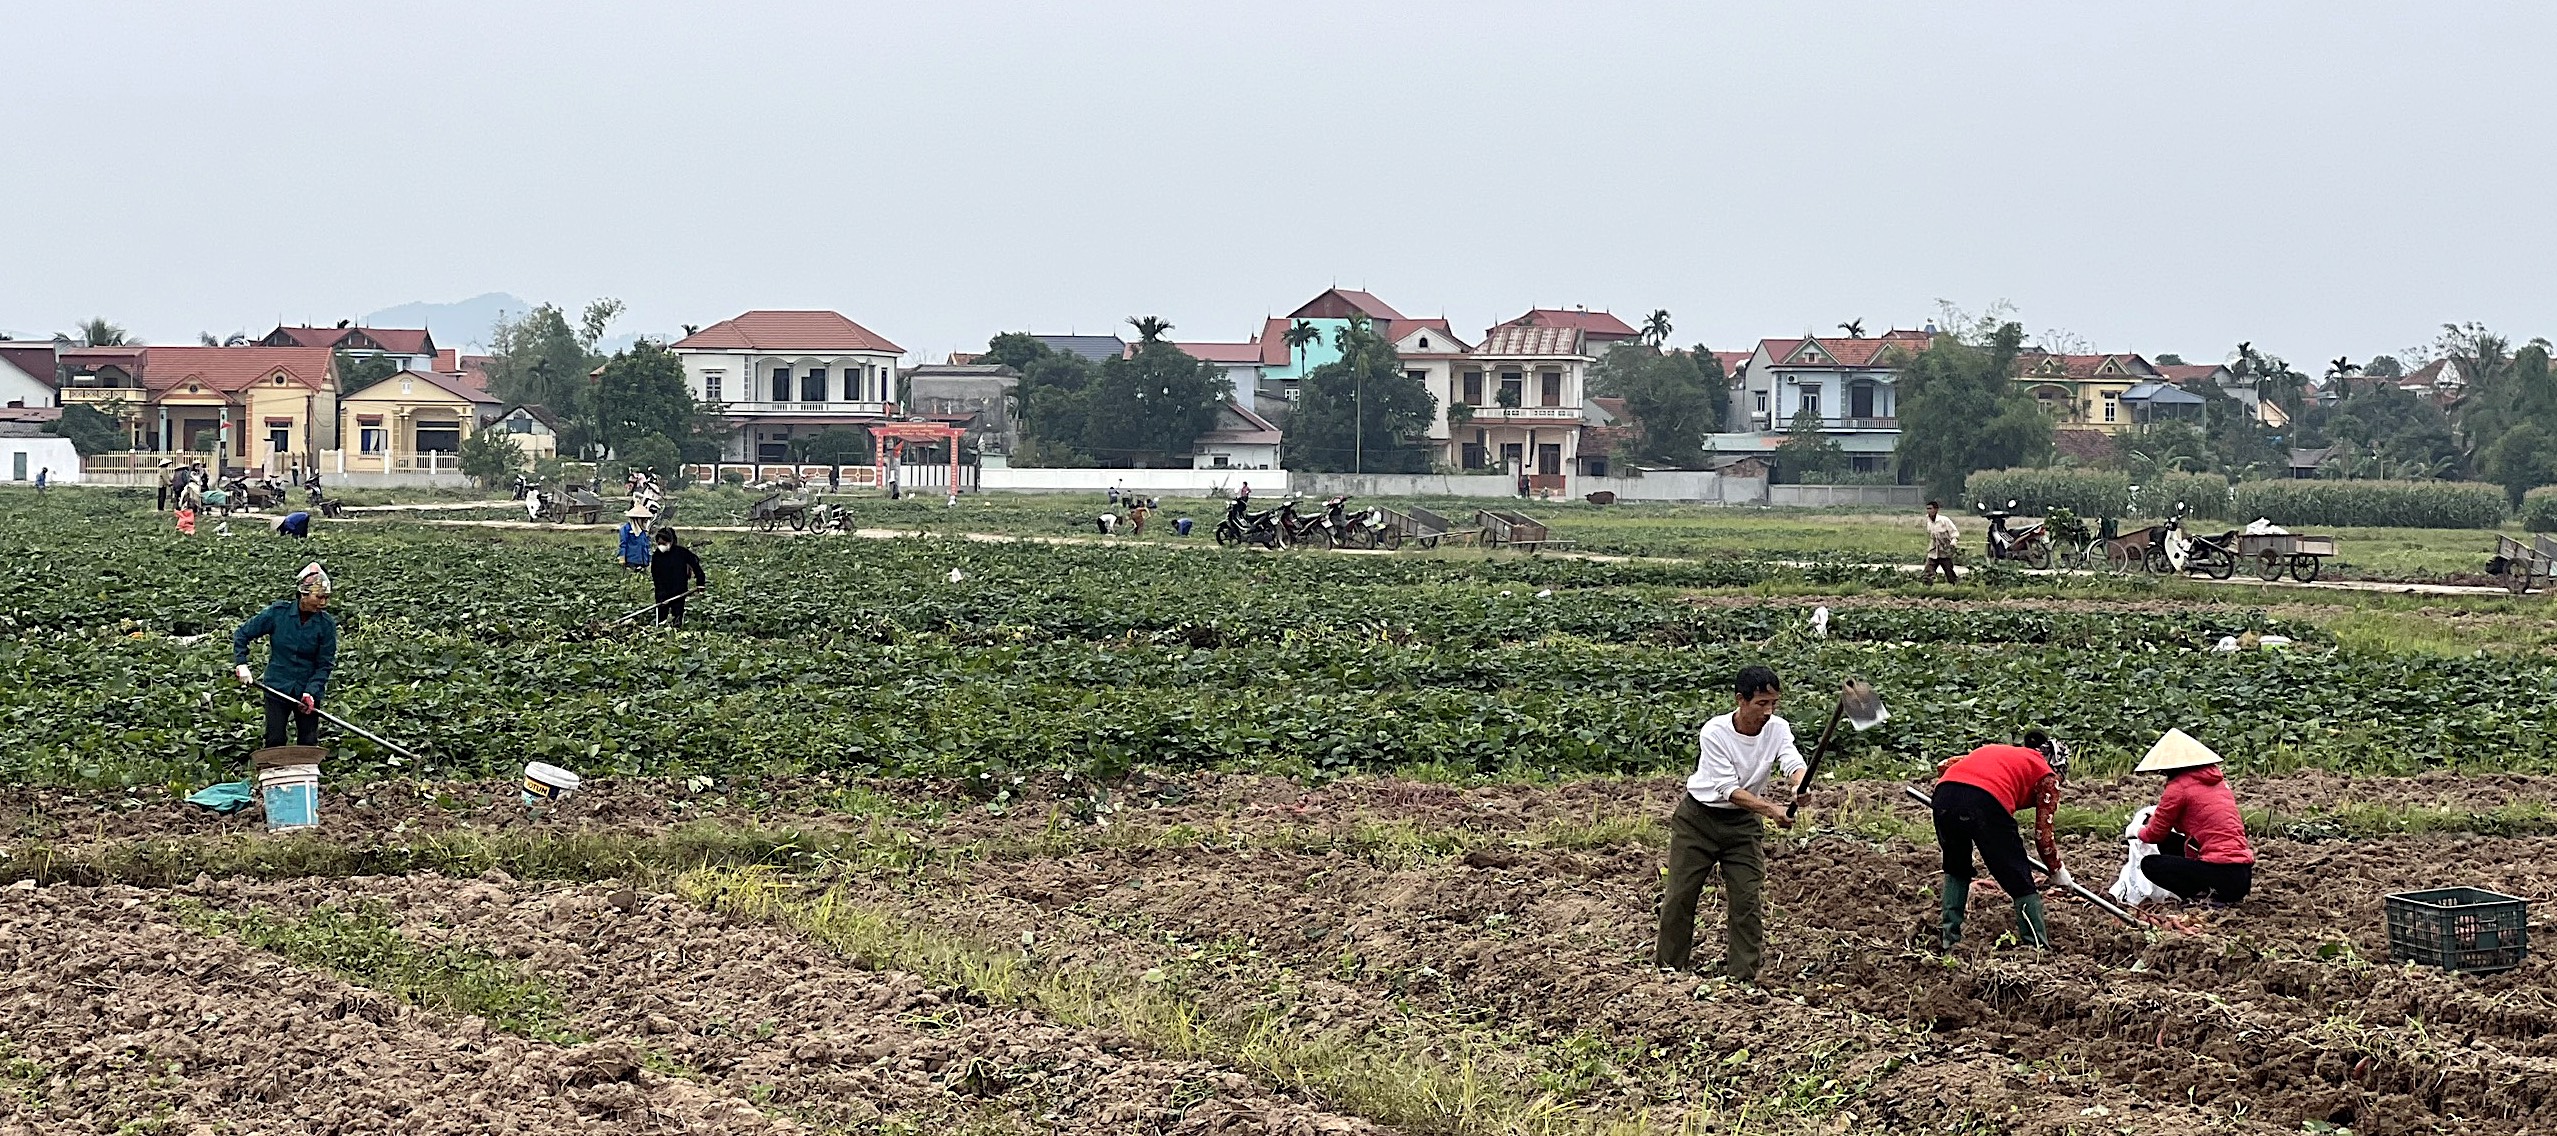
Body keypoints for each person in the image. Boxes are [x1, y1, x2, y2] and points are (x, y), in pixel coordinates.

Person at [1655, 665, 1805, 982]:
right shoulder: (1715, 732)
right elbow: (1729, 790)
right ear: (1741, 700)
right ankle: (1668, 970)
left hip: (1741, 827)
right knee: (1680, 896)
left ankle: (1742, 977)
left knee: (1746, 899)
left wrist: (1799, 786)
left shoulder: (1777, 728)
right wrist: (1772, 810)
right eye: (1761, 703)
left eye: (1773, 703)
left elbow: (1791, 761)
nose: (1768, 711)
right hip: (1699, 820)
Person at [1932, 730, 2070, 949]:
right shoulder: (2048, 777)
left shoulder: (2004, 752)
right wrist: (2056, 870)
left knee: (1956, 866)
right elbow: (2043, 836)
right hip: (1987, 801)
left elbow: (1943, 765)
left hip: (1944, 795)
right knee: (2017, 874)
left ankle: (1950, 940)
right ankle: (2036, 946)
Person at [2132, 729, 2255, 904]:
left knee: (2150, 864)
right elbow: (2194, 822)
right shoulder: (2218, 783)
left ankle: (2202, 896)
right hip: (2241, 874)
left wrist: (2137, 831)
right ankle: (2207, 892)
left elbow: (2154, 834)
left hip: (2222, 873)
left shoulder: (2178, 788)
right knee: (2168, 842)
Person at [233, 562, 337, 749]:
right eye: (319, 597)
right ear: (303, 595)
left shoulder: (326, 625)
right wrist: (241, 664)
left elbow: (325, 663)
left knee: (308, 740)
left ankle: (306, 775)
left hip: (307, 687)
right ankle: (275, 774)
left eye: (326, 598)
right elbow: (242, 634)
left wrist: (311, 692)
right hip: (277, 685)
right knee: (275, 739)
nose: (323, 603)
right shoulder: (278, 614)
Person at [649, 527, 707, 627]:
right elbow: (656, 577)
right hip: (662, 591)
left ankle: (677, 631)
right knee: (661, 617)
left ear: (670, 542)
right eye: (659, 544)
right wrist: (662, 597)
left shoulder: (681, 553)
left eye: (664, 543)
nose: (661, 546)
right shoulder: (656, 556)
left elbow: (696, 566)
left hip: (679, 590)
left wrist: (700, 582)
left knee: (677, 616)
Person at [1922, 500, 1960, 584]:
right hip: (1933, 550)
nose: (1928, 511)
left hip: (1944, 550)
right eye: (1927, 509)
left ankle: (1956, 585)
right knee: (1928, 571)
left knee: (1949, 572)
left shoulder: (1944, 520)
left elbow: (1954, 532)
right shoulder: (1928, 521)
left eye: (1930, 508)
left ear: (1936, 509)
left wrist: (1953, 541)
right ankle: (1927, 588)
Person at [618, 507, 653, 572]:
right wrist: (622, 558)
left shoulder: (643, 531)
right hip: (631, 562)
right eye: (642, 519)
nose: (645, 521)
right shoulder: (626, 529)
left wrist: (649, 560)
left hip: (643, 562)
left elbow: (646, 546)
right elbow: (623, 544)